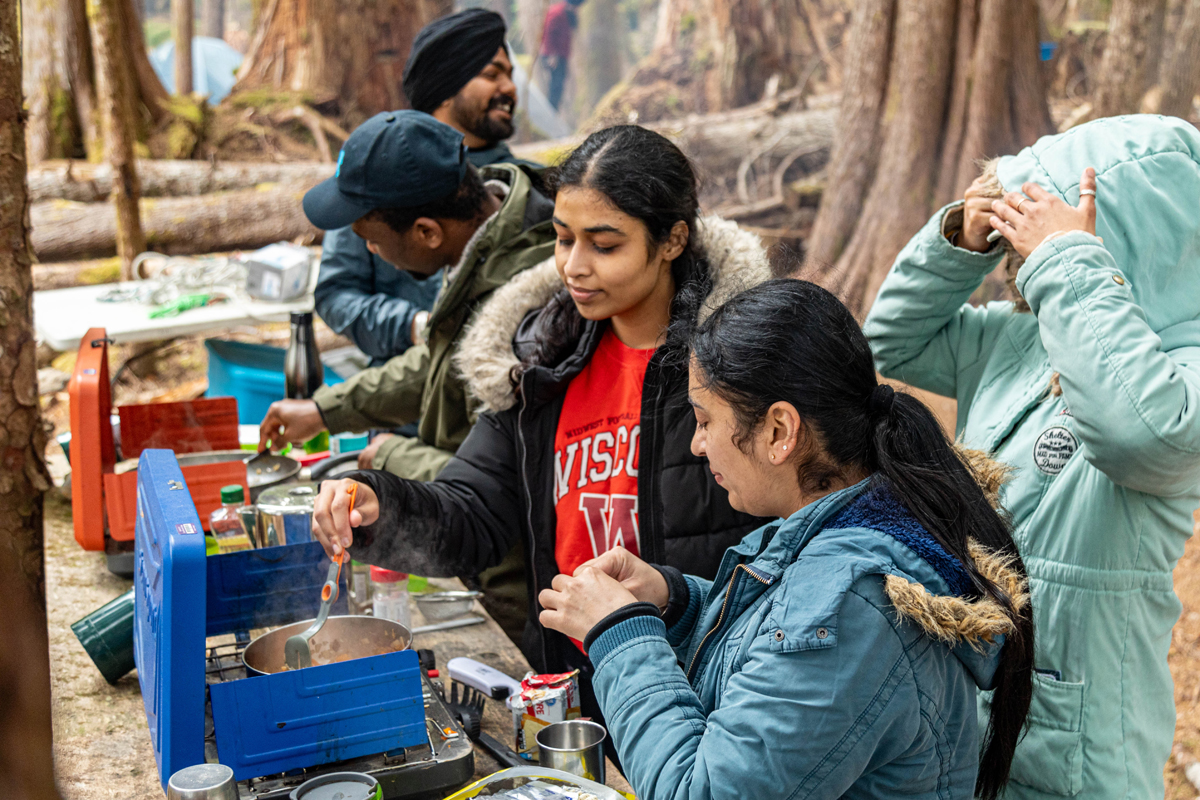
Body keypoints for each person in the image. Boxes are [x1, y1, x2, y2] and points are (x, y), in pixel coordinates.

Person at [309, 125, 773, 710]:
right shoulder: (541, 361)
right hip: (572, 686)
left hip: (704, 687)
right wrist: (381, 504)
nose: (574, 266)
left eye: (604, 245)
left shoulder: (740, 370)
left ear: (672, 240)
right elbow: (472, 515)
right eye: (562, 238)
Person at [536, 279, 1034, 799]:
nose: (697, 443)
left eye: (705, 420)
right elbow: (776, 651)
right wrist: (674, 602)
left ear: (779, 432)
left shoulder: (851, 611)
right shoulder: (850, 534)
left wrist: (620, 635)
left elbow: (699, 792)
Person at [865, 115, 1200, 798]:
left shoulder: (1180, 372)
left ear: (1130, 234)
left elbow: (1141, 436)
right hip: (972, 696)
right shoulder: (1018, 338)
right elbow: (888, 343)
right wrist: (956, 243)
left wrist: (1068, 262)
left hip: (1081, 729)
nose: (1027, 246)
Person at [262, 110, 554, 643]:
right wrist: (327, 409)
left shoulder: (529, 302)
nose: (370, 251)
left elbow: (515, 485)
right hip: (475, 558)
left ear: (426, 231)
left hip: (522, 595)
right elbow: (439, 364)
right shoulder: (481, 253)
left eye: (369, 239)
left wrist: (391, 456)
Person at [315, 8, 535, 369]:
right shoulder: (374, 172)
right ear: (446, 87)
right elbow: (336, 292)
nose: (509, 88)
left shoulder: (530, 189)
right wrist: (415, 326)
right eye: (491, 74)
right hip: (396, 404)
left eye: (510, 75)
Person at [539, 0, 586, 109]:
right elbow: (548, 34)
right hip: (553, 56)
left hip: (561, 55)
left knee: (559, 85)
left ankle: (553, 110)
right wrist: (552, 54)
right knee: (555, 85)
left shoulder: (568, 13)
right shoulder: (557, 13)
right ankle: (550, 111)